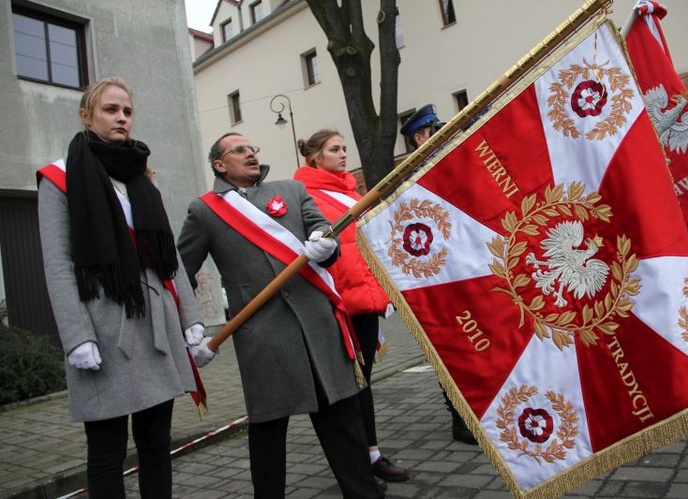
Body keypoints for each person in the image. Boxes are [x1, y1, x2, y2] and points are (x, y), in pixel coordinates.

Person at [176, 132, 385, 498]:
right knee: (269, 433)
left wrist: (325, 242)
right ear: (219, 165)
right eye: (239, 150)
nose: (250, 154)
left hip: (318, 325)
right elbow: (181, 272)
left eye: (252, 148)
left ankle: (364, 492)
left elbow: (322, 227)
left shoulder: (291, 190)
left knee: (342, 421)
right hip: (263, 336)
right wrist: (191, 325)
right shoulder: (205, 211)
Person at [37, 76, 214, 499]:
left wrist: (191, 320)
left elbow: (166, 254)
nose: (121, 118)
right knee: (106, 453)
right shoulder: (58, 178)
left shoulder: (141, 176)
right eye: (110, 110)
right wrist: (76, 337)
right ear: (86, 116)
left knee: (156, 447)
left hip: (158, 326)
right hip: (102, 329)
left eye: (127, 111)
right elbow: (58, 264)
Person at [294, 129, 409, 483]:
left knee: (364, 382)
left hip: (367, 301)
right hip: (338, 306)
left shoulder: (349, 191)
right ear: (315, 157)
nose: (344, 154)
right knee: (349, 387)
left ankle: (371, 454)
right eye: (334, 149)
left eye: (344, 148)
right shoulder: (305, 195)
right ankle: (358, 462)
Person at [400, 104, 478, 446]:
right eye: (436, 130)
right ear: (420, 137)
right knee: (454, 347)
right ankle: (460, 419)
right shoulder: (412, 175)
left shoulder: (449, 164)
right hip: (439, 276)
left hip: (469, 267)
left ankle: (477, 409)